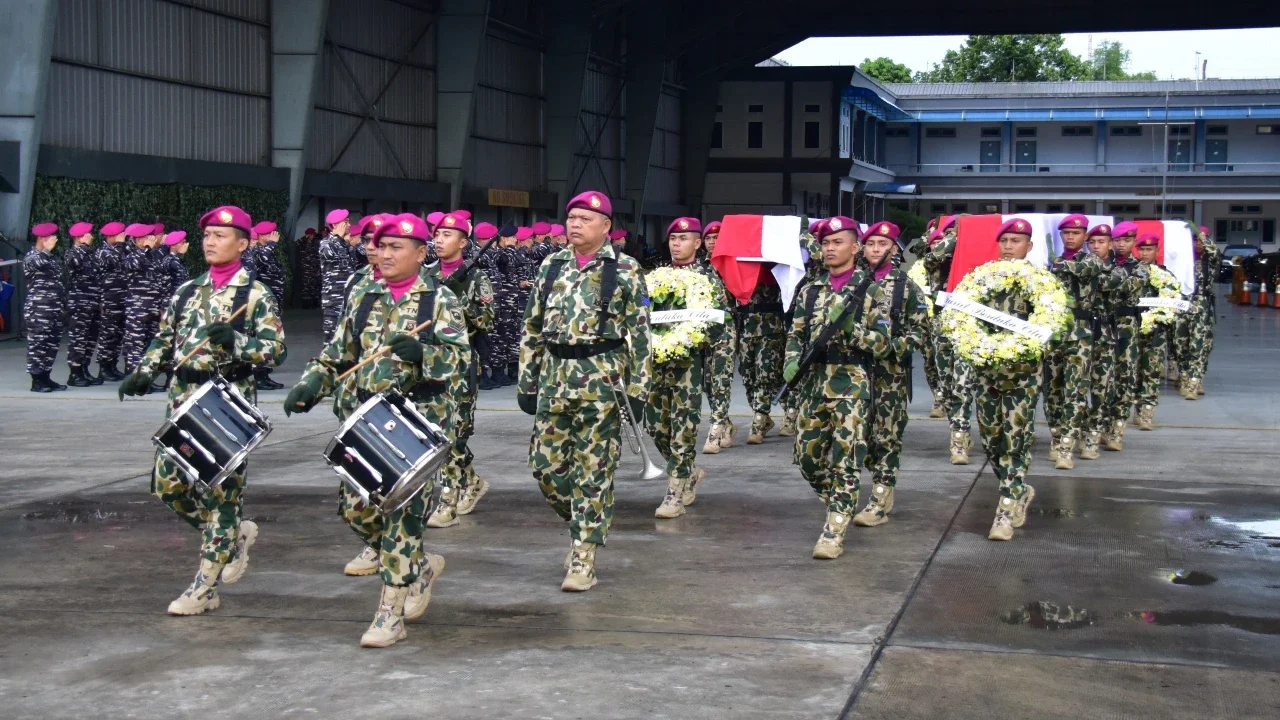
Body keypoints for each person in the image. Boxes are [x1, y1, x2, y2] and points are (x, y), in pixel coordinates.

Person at [284, 212, 467, 647]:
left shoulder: (438, 300)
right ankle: (418, 567)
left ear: (421, 254)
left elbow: (459, 363)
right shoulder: (363, 294)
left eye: (395, 247)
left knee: (402, 517)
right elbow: (338, 352)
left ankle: (390, 612)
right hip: (364, 421)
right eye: (380, 246)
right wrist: (312, 381)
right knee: (356, 511)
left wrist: (422, 354)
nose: (384, 253)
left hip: (415, 422)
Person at [117, 205, 286, 616]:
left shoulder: (255, 295)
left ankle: (205, 585)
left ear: (243, 244)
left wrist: (236, 343)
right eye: (208, 235)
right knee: (167, 485)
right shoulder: (187, 290)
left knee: (221, 495)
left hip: (227, 403)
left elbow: (275, 351)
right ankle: (231, 538)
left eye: (221, 236)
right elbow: (164, 339)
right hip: (182, 399)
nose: (211, 242)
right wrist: (143, 371)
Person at [517, 191, 651, 591]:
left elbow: (641, 332)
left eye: (585, 219)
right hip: (554, 379)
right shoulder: (551, 264)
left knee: (593, 471)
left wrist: (639, 388)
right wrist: (527, 380)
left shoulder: (626, 268)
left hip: (602, 383)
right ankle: (581, 524)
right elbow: (532, 326)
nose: (574, 224)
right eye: (571, 217)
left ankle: (583, 553)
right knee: (545, 467)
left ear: (606, 226)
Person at [784, 216, 890, 559]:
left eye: (837, 242)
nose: (829, 249)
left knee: (847, 461)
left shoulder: (870, 289)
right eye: (826, 243)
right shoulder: (810, 289)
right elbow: (796, 334)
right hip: (813, 383)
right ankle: (840, 502)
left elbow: (885, 344)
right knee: (806, 459)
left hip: (852, 385)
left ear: (855, 248)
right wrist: (790, 362)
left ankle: (833, 530)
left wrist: (853, 330)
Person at [647, 218, 727, 517]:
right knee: (655, 426)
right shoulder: (655, 276)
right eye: (673, 238)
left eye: (683, 238)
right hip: (656, 363)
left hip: (687, 365)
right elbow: (640, 312)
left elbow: (720, 323)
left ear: (697, 243)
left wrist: (694, 337)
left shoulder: (708, 278)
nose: (676, 243)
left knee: (683, 427)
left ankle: (674, 493)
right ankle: (689, 471)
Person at [971, 219, 1043, 541]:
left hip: (1023, 376)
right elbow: (965, 318)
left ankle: (1005, 509)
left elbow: (1054, 324)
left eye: (1017, 240)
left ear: (1029, 246)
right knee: (991, 439)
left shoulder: (1042, 283)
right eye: (1005, 240)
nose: (1009, 246)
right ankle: (1018, 489)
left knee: (1015, 440)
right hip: (987, 373)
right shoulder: (982, 279)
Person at [424, 214, 496, 529]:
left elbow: (486, 320)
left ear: (463, 242)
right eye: (437, 234)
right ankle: (472, 481)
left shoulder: (476, 277)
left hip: (460, 362)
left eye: (447, 235)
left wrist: (452, 301)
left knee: (454, 434)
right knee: (433, 434)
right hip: (427, 362)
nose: (439, 240)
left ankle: (448, 501)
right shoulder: (424, 275)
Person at [856, 222, 928, 528]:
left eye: (882, 244)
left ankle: (881, 497)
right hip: (854, 372)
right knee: (859, 435)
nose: (875, 249)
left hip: (890, 374)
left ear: (894, 250)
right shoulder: (854, 282)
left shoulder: (905, 286)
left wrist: (889, 346)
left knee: (886, 435)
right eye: (870, 243)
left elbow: (920, 331)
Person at [1044, 214, 1110, 470]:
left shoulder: (1091, 259)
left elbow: (1085, 270)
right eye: (1066, 233)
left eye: (1076, 233)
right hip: (1054, 333)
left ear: (1085, 236)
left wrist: (1058, 264)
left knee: (1075, 390)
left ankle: (1067, 445)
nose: (1070, 237)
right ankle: (1056, 435)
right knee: (1051, 390)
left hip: (1080, 334)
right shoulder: (1050, 263)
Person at [919, 216, 977, 464]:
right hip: (942, 324)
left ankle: (959, 438)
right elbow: (929, 259)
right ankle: (958, 426)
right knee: (948, 381)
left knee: (963, 383)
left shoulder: (975, 255)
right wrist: (953, 237)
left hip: (969, 326)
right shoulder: (940, 254)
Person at [1099, 222, 1148, 450]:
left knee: (1124, 377)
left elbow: (1126, 287)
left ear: (1133, 242)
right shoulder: (1100, 263)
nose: (1121, 245)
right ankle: (1099, 426)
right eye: (1117, 240)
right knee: (1102, 379)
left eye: (1126, 240)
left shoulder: (1140, 267)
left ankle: (1116, 430)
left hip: (1126, 326)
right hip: (1103, 325)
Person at [698, 220, 739, 454]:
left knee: (721, 379)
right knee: (706, 382)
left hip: (724, 328)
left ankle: (715, 429)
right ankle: (725, 422)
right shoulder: (698, 267)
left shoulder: (732, 265)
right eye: (709, 239)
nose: (712, 242)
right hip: (700, 330)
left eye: (717, 238)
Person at [1174, 226, 1221, 399]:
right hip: (1182, 303)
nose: (1198, 244)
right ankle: (1184, 375)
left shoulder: (1210, 259)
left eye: (1201, 240)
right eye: (1194, 240)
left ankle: (1193, 381)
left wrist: (1199, 233)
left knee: (1199, 345)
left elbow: (1214, 250)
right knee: (1180, 344)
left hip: (1201, 304)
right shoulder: (1183, 260)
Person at [24, 223, 68, 392]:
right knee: (38, 344)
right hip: (39, 309)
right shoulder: (32, 256)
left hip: (54, 308)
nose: (55, 241)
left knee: (51, 345)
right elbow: (36, 264)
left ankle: (45, 377)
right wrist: (46, 250)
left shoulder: (50, 258)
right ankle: (36, 380)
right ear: (42, 239)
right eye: (52, 238)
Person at [149, 230, 193, 392]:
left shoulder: (176, 261)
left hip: (178, 305)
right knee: (172, 343)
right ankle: (169, 378)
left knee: (177, 342)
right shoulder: (170, 261)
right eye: (183, 242)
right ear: (176, 245)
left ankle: (173, 378)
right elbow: (166, 286)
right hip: (171, 306)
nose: (185, 245)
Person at [1134, 233, 1169, 430]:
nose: (1146, 253)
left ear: (1157, 250)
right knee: (1132, 373)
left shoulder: (1164, 274)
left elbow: (1173, 299)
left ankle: (1146, 414)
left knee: (1151, 371)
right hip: (1133, 329)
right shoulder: (1131, 273)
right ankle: (1132, 410)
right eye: (1143, 249)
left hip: (1155, 331)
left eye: (1150, 249)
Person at [64, 221, 104, 387]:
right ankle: (74, 373)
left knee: (90, 338)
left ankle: (84, 369)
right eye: (88, 234)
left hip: (93, 303)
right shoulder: (73, 253)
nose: (91, 236)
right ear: (79, 237)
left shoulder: (90, 254)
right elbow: (74, 263)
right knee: (78, 339)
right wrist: (82, 247)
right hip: (80, 303)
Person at [120, 223, 160, 374]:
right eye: (146, 238)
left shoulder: (152, 256)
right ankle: (134, 378)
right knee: (135, 345)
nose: (151, 240)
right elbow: (134, 264)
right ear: (137, 241)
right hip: (137, 308)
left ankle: (145, 376)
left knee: (149, 344)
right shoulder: (131, 256)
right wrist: (145, 249)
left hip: (152, 307)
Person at [94, 221, 130, 381]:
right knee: (108, 334)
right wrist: (121, 246)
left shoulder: (122, 250)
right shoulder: (104, 252)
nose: (123, 237)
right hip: (109, 299)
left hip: (122, 298)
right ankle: (103, 366)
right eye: (120, 234)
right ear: (110, 236)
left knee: (118, 334)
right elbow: (116, 261)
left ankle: (112, 365)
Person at [320, 208, 357, 341]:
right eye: (345, 222)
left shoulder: (343, 244)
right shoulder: (326, 243)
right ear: (335, 225)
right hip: (334, 300)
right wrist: (338, 237)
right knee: (332, 339)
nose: (349, 225)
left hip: (348, 298)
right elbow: (328, 254)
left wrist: (346, 243)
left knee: (348, 338)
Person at [296, 227, 321, 308]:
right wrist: (304, 238)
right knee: (306, 287)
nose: (313, 236)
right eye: (311, 234)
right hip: (306, 270)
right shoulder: (302, 244)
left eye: (313, 234)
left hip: (314, 269)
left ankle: (315, 304)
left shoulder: (316, 243)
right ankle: (306, 304)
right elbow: (295, 244)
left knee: (315, 286)